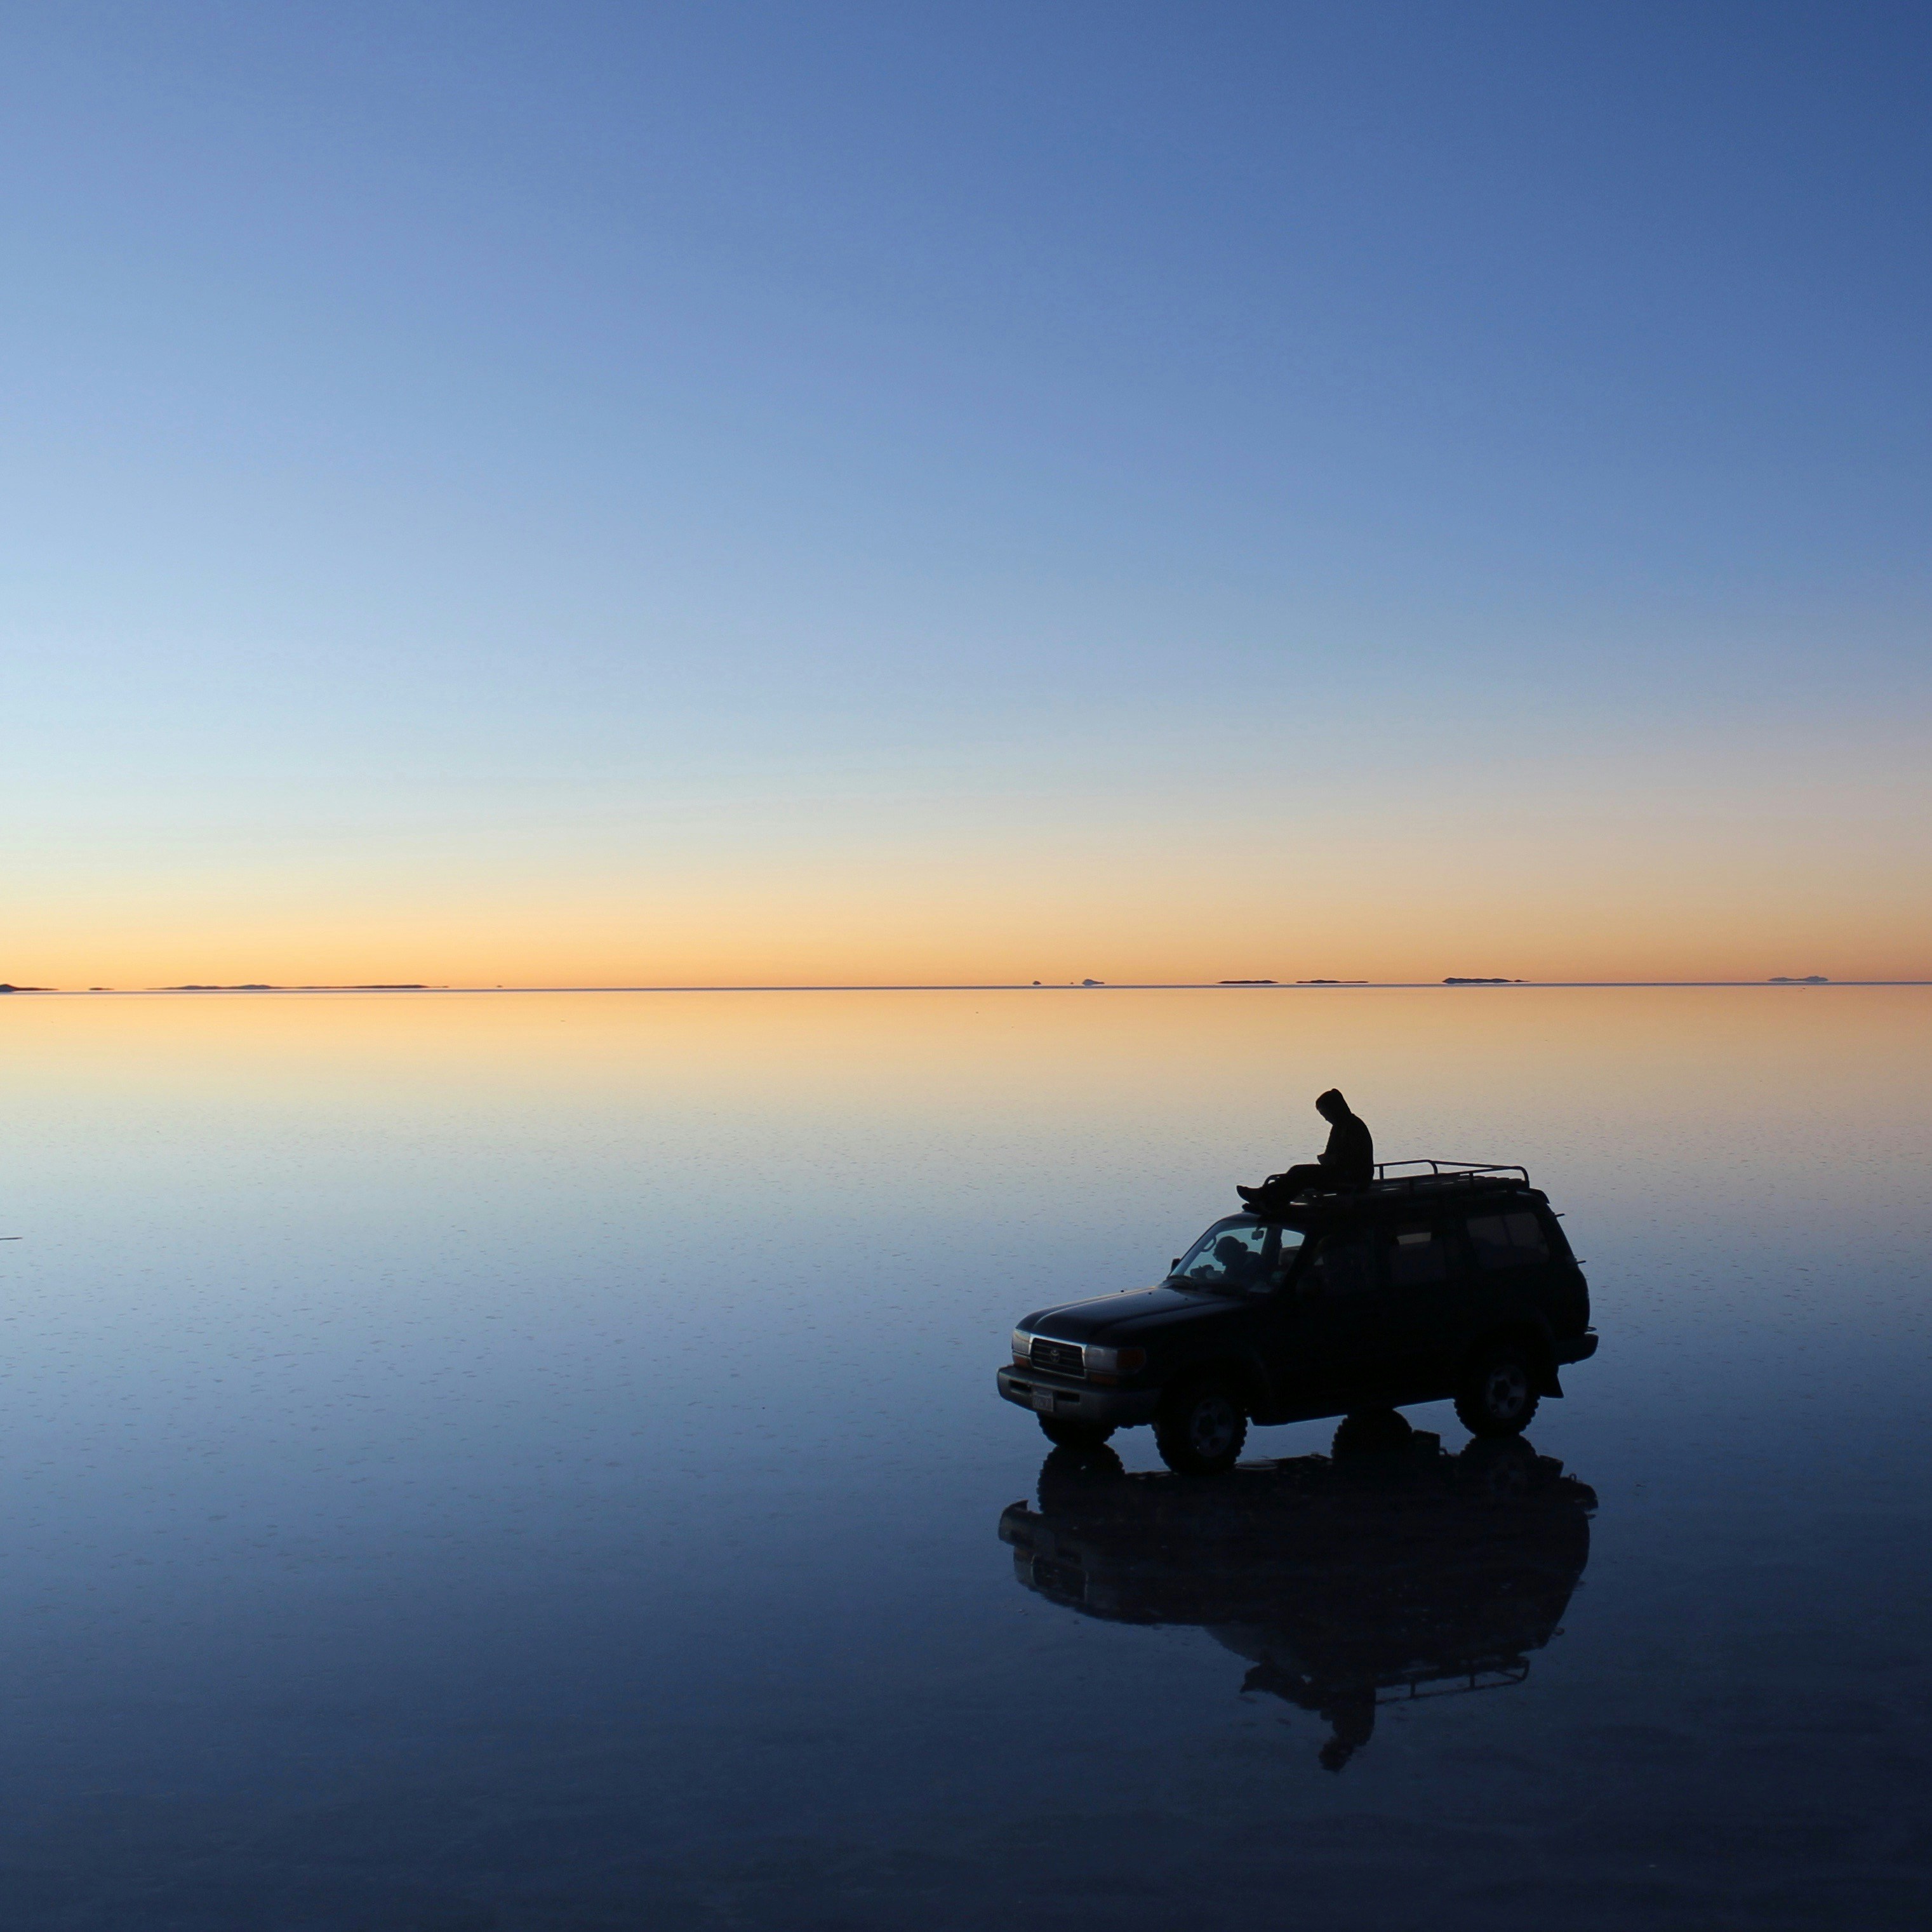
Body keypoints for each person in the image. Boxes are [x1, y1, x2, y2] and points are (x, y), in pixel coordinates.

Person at [1237, 1089, 1373, 1210]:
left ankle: (1266, 1197)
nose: (1325, 1119)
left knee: (1303, 1174)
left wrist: (1334, 1159)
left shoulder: (1355, 1127)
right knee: (1297, 1170)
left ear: (1335, 1110)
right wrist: (1327, 1159)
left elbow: (1358, 1159)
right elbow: (1331, 1153)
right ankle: (1268, 1199)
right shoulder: (1338, 1128)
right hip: (1340, 1173)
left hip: (1353, 1178)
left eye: (1326, 1113)